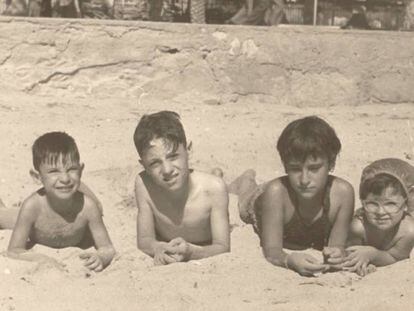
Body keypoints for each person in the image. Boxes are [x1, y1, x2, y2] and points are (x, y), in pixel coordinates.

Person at [229, 116, 355, 276]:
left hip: (283, 191)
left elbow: (337, 246)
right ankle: (245, 180)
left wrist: (336, 256)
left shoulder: (342, 194)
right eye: (295, 169)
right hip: (261, 199)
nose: (304, 180)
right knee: (244, 201)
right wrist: (289, 261)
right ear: (285, 166)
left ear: (331, 163)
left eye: (314, 168)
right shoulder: (275, 194)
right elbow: (272, 250)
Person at [7, 132, 115, 272]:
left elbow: (107, 248)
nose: (65, 178)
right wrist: (41, 259)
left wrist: (101, 257)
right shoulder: (32, 207)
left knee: (98, 207)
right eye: (53, 171)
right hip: (36, 212)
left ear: (81, 171)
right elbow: (13, 250)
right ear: (37, 177)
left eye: (71, 169)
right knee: (4, 217)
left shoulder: (88, 208)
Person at [133, 111, 230, 265]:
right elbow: (145, 241)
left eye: (173, 157)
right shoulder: (143, 184)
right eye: (154, 163)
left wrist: (193, 252)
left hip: (212, 186)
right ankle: (216, 172)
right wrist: (160, 247)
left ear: (188, 150)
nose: (166, 170)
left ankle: (243, 179)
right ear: (143, 165)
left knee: (237, 192)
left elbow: (222, 246)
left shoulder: (214, 190)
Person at [344, 158, 414, 276]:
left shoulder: (408, 231)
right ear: (362, 202)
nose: (381, 212)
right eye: (372, 204)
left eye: (391, 204)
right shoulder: (359, 227)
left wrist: (373, 255)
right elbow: (352, 253)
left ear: (406, 205)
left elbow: (396, 256)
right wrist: (361, 263)